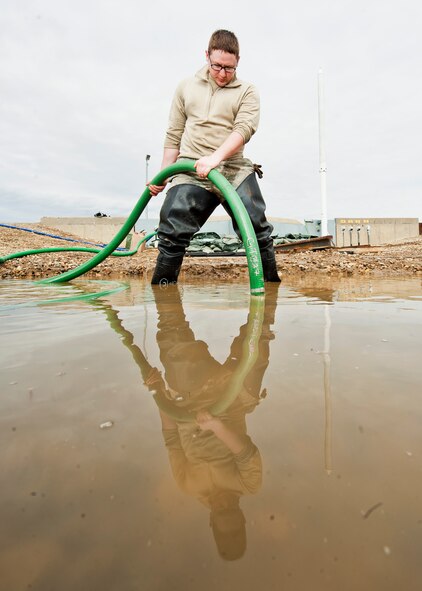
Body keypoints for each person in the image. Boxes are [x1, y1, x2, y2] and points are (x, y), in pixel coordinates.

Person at [148, 29, 281, 285]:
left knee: (257, 228)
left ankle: (269, 294)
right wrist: (164, 173)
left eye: (229, 68)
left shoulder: (247, 91)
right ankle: (165, 305)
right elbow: (174, 133)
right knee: (172, 231)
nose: (222, 73)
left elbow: (244, 129)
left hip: (233, 169)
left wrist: (215, 158)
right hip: (191, 170)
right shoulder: (186, 87)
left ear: (238, 61)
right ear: (206, 55)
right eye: (217, 66)